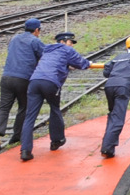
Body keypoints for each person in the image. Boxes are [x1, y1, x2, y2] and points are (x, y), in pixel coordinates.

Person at [20, 31, 91, 162]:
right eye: (71, 42)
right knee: (54, 109)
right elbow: (82, 63)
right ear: (63, 42)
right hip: (50, 82)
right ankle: (56, 140)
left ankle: (25, 150)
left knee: (30, 116)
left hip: (34, 81)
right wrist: (86, 63)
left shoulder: (47, 50)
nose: (72, 45)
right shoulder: (66, 50)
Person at [0, 18, 45, 151]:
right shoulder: (35, 41)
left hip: (6, 77)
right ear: (37, 30)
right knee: (24, 107)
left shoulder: (14, 38)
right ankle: (17, 136)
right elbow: (44, 56)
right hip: (23, 79)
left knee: (4, 107)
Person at [100, 35, 130, 158]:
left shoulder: (118, 57)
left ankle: (109, 143)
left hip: (109, 86)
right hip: (124, 86)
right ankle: (107, 148)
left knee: (113, 114)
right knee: (118, 117)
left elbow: (106, 71)